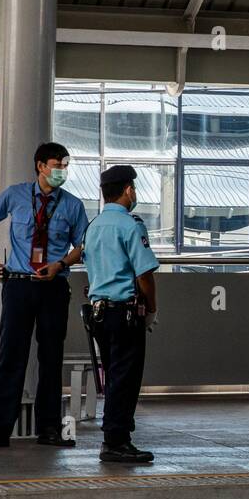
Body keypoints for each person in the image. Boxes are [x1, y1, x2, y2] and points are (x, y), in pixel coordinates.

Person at [0, 142, 89, 450]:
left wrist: (62, 263)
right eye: (57, 165)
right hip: (19, 284)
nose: (62, 170)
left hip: (54, 285)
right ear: (40, 166)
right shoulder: (16, 194)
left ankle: (49, 428)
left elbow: (82, 246)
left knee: (51, 358)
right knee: (12, 356)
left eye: (65, 165)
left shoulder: (73, 205)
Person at [82, 164, 159, 463]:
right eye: (134, 189)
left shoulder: (94, 226)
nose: (135, 194)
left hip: (99, 314)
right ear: (128, 190)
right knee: (125, 379)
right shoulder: (131, 225)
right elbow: (145, 275)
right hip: (125, 315)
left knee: (114, 376)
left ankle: (113, 437)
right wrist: (151, 308)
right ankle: (116, 440)